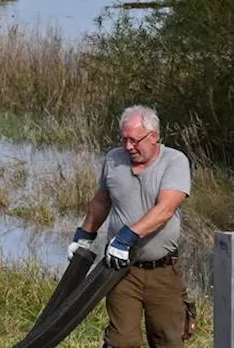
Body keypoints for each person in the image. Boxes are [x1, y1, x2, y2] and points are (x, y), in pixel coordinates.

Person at [68, 105, 192, 348]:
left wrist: (126, 237)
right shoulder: (114, 160)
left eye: (135, 140)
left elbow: (165, 209)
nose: (128, 147)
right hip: (120, 270)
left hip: (162, 272)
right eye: (124, 139)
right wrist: (83, 237)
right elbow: (102, 201)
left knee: (168, 340)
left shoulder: (175, 161)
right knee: (120, 341)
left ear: (154, 136)